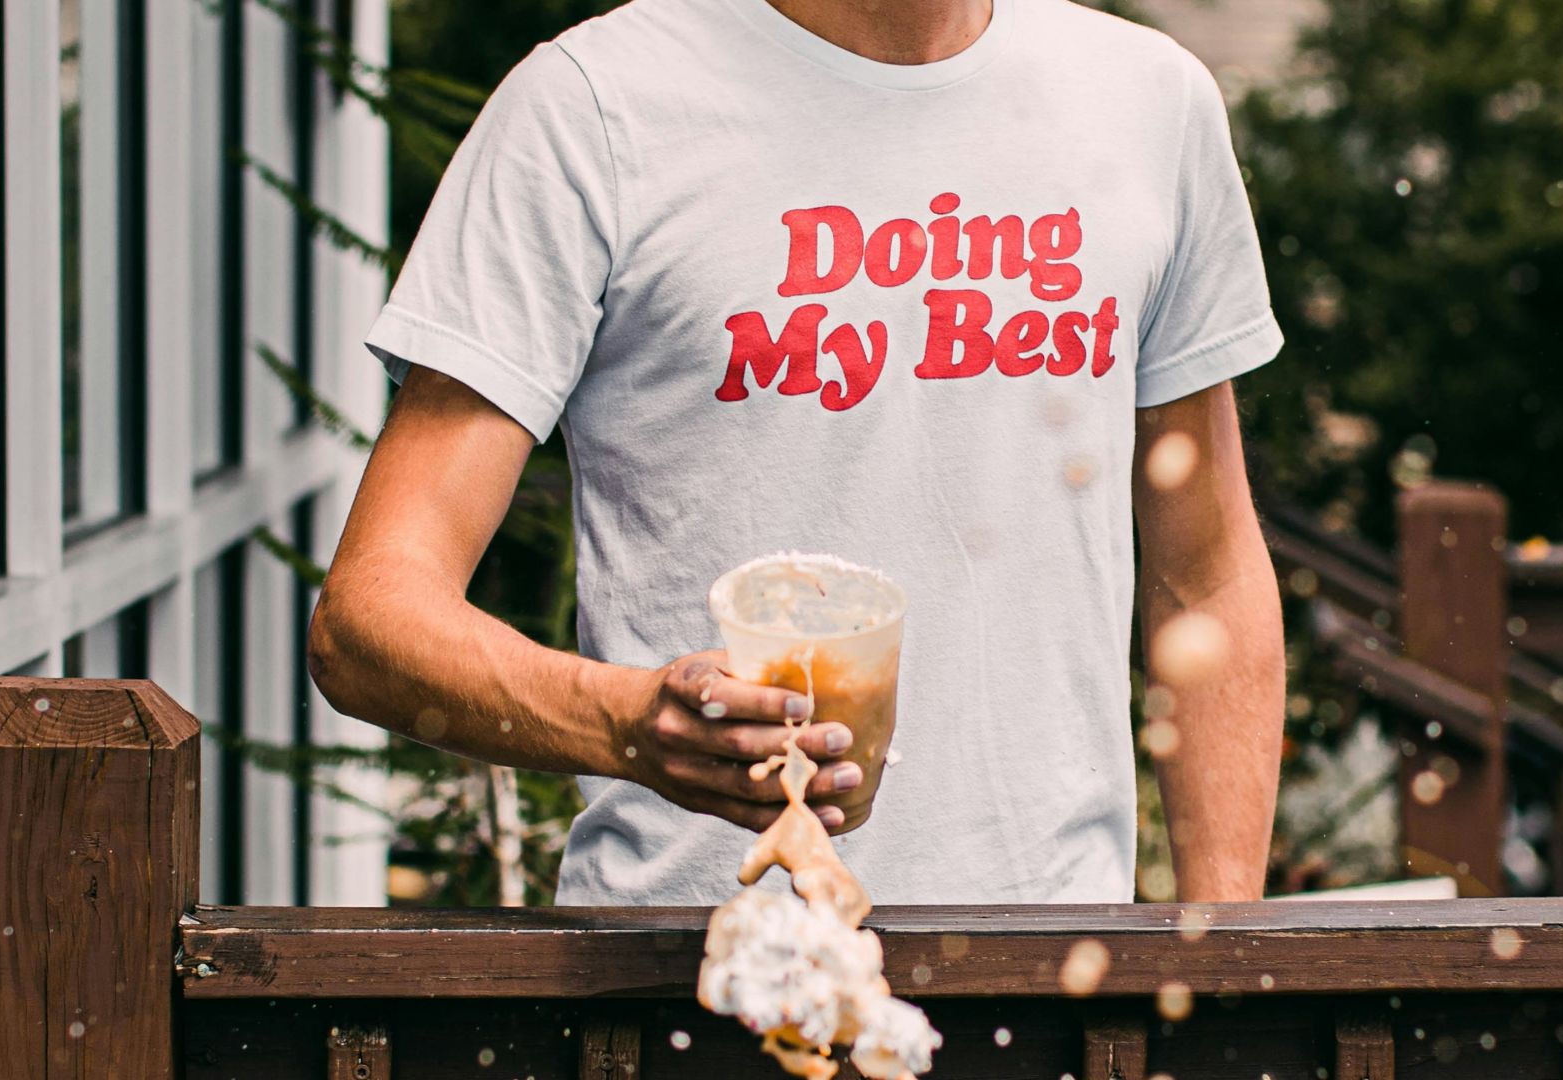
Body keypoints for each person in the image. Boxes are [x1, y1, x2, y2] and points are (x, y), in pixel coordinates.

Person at [309, 0, 1287, 906]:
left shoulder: (1149, 101)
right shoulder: (591, 110)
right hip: (691, 980)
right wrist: (622, 721)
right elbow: (366, 624)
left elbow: (1206, 579)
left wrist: (1226, 964)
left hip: (1051, 985)